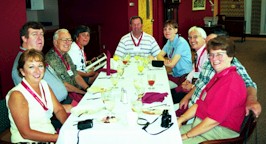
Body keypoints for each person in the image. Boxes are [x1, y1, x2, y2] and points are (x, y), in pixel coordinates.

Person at [177, 36, 247, 143]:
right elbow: (199, 103)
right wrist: (181, 119)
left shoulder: (232, 83)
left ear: (230, 56)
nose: (214, 59)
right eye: (211, 55)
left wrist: (187, 135)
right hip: (203, 126)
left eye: (219, 54)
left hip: (219, 132)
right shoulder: (218, 76)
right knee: (167, 134)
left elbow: (214, 121)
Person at [178, 37, 261, 118]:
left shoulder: (231, 63)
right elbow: (199, 83)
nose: (212, 48)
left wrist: (251, 100)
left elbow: (248, 83)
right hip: (193, 105)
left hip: (204, 113)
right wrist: (186, 98)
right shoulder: (208, 62)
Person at [6, 49, 68, 143]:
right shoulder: (17, 95)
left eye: (40, 66)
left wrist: (69, 126)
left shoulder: (44, 84)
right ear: (22, 71)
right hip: (29, 141)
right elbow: (26, 133)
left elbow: (59, 110)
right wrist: (60, 137)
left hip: (50, 135)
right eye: (31, 67)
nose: (37, 71)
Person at [11, 21, 72, 111]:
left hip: (65, 102)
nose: (40, 39)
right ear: (24, 38)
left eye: (42, 34)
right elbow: (33, 102)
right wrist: (59, 109)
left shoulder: (37, 56)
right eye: (35, 34)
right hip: (55, 112)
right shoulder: (21, 66)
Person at [172, 27, 216, 104]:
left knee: (171, 97)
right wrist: (188, 80)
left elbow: (208, 80)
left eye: (195, 37)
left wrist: (192, 86)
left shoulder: (208, 55)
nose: (192, 40)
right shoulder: (198, 52)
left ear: (204, 39)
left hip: (200, 93)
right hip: (195, 84)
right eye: (190, 37)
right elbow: (195, 69)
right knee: (171, 93)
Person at [45, 28, 89, 98]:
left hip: (76, 91)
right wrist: (83, 93)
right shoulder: (51, 59)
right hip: (66, 96)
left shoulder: (65, 54)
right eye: (64, 40)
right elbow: (65, 86)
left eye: (69, 40)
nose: (68, 43)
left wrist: (88, 89)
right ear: (55, 42)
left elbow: (75, 75)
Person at [157, 20, 192, 87]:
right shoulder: (169, 42)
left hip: (185, 77)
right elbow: (159, 55)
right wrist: (165, 61)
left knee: (161, 85)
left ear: (176, 30)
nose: (167, 31)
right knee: (158, 78)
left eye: (170, 29)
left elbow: (172, 64)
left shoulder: (181, 42)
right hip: (176, 74)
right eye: (165, 29)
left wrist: (164, 61)